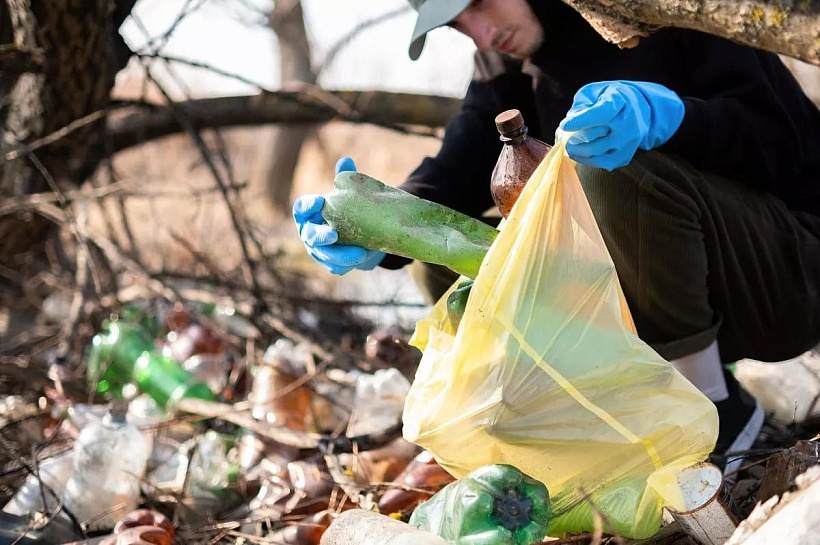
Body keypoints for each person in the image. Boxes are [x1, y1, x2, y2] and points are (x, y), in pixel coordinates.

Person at [294, 0, 820, 475]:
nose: (480, 32)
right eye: (457, 23)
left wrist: (676, 120)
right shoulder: (505, 57)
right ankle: (610, 419)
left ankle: (711, 410)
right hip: (681, 289)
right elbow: (458, 167)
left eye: (477, 3)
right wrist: (379, 223)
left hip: (788, 272)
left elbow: (792, 147)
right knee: (444, 257)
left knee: (607, 168)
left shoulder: (662, 9)